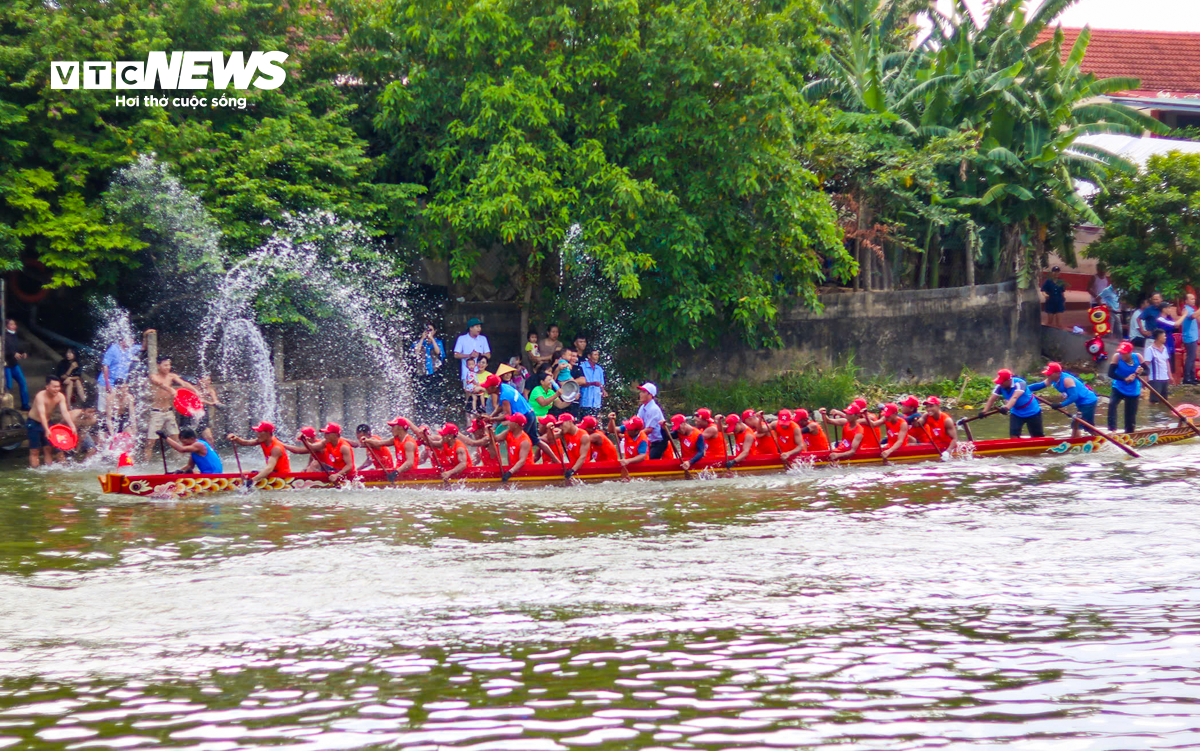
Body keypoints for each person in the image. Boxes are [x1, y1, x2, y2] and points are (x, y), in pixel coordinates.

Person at [144, 357, 199, 463]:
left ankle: (178, 462)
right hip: (157, 412)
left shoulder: (172, 376)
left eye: (169, 365)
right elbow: (160, 384)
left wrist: (195, 390)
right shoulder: (153, 377)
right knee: (150, 442)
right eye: (165, 365)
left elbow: (183, 383)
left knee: (176, 439)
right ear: (158, 366)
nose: (168, 367)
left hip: (169, 412)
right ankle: (146, 465)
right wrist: (170, 389)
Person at [1028, 361, 1098, 438]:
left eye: (1049, 374)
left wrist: (1061, 405)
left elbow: (1074, 396)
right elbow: (1040, 385)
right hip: (1081, 403)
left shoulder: (1067, 380)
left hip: (1088, 402)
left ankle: (1074, 443)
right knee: (1087, 425)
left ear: (1058, 373)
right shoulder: (1052, 379)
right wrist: (1025, 388)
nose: (1048, 376)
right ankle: (1097, 438)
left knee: (1076, 424)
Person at [101, 331, 146, 435]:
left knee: (121, 408)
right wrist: (107, 383)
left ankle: (119, 430)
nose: (132, 342)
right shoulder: (113, 349)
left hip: (121, 381)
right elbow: (105, 365)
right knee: (105, 410)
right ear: (123, 340)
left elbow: (143, 347)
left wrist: (145, 336)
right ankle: (105, 431)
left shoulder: (131, 349)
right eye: (130, 340)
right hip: (108, 382)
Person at [27, 375, 75, 467]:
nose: (57, 389)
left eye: (58, 386)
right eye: (54, 387)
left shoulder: (60, 396)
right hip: (34, 422)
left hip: (48, 422)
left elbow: (64, 412)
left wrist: (72, 426)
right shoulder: (40, 396)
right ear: (47, 387)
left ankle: (48, 469)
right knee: (34, 450)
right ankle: (35, 470)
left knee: (48, 448)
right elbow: (42, 414)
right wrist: (46, 429)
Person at [983, 368, 1044, 439]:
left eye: (1002, 382)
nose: (1000, 384)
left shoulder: (1020, 383)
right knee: (1013, 436)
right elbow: (991, 399)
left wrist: (1006, 408)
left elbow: (1015, 397)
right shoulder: (1000, 386)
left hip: (1032, 411)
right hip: (1017, 412)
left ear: (1009, 380)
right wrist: (984, 411)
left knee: (1037, 437)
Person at [227, 421, 292, 481]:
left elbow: (269, 468)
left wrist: (253, 480)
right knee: (244, 473)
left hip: (282, 477)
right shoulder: (263, 440)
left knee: (248, 476)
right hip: (273, 473)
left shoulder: (276, 448)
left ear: (268, 433)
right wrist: (236, 438)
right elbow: (245, 443)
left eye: (260, 432)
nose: (257, 434)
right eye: (257, 432)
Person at [1107, 341, 1144, 434]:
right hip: (1119, 387)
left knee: (1130, 416)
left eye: (1124, 353)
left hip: (1133, 390)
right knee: (1112, 404)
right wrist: (1125, 378)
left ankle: (1129, 433)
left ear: (1130, 353)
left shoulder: (1138, 357)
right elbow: (1110, 373)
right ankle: (1112, 430)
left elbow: (1147, 371)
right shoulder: (1116, 357)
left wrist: (1140, 372)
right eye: (1121, 353)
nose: (1122, 355)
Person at [160, 427, 224, 474]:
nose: (183, 444)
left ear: (192, 439)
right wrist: (174, 473)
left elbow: (181, 449)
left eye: (184, 442)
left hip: (213, 475)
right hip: (206, 474)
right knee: (188, 470)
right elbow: (190, 466)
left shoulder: (199, 445)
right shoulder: (194, 450)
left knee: (189, 472)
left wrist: (165, 437)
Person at [1171, 293, 1200, 384]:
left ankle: (1192, 377)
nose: (1193, 300)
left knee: (1192, 357)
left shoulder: (1191, 309)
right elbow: (1194, 316)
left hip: (1193, 337)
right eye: (1191, 299)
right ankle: (1187, 378)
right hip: (1189, 337)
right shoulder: (1186, 309)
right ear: (1186, 301)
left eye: (1194, 299)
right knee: (1190, 358)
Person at [635, 382, 669, 459]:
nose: (640, 394)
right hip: (649, 441)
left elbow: (649, 430)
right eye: (641, 392)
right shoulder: (642, 407)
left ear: (650, 395)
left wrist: (633, 436)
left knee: (649, 460)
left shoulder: (654, 409)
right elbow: (637, 424)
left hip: (659, 442)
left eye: (643, 392)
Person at [499, 413, 534, 482]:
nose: (508, 423)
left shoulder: (524, 441)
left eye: (510, 421)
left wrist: (509, 472)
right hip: (514, 469)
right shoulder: (508, 433)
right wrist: (489, 429)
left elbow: (522, 461)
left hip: (526, 471)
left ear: (515, 425)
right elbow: (495, 438)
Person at [4, 319, 29, 411]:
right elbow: (3, 351)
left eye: (14, 324)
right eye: (11, 324)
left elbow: (18, 347)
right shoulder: (4, 337)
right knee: (8, 386)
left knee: (23, 382)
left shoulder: (15, 336)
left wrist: (23, 352)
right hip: (6, 365)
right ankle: (5, 406)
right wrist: (13, 353)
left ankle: (25, 405)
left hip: (14, 365)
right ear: (6, 327)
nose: (14, 326)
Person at [1143, 329, 1171, 404]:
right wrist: (1145, 379)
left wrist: (1170, 376)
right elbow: (1146, 364)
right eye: (1164, 336)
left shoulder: (1164, 348)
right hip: (1155, 379)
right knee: (1154, 401)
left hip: (1164, 378)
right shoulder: (1150, 350)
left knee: (1164, 401)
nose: (1165, 338)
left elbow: (1166, 362)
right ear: (1159, 338)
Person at [579, 349, 607, 419]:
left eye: (597, 355)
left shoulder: (599, 369)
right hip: (585, 401)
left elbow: (601, 384)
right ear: (589, 356)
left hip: (596, 402)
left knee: (594, 423)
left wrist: (603, 391)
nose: (597, 357)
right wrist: (592, 383)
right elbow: (580, 383)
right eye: (595, 355)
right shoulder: (582, 367)